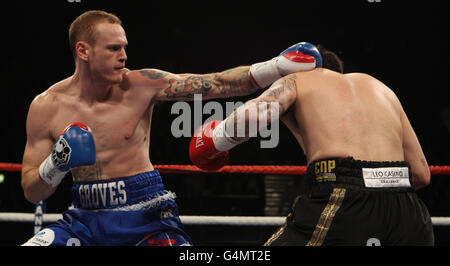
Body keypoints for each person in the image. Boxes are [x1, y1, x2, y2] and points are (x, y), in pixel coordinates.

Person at [20, 10, 321, 246]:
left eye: (124, 47)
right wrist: (56, 164)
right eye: (113, 49)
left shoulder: (141, 84)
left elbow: (217, 83)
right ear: (83, 51)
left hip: (147, 216)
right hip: (83, 220)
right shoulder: (46, 107)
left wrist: (277, 66)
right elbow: (33, 192)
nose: (123, 56)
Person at [189, 45, 434, 245]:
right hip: (409, 213)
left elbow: (253, 117)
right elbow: (421, 175)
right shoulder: (381, 88)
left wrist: (216, 139)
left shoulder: (297, 79)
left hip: (343, 198)